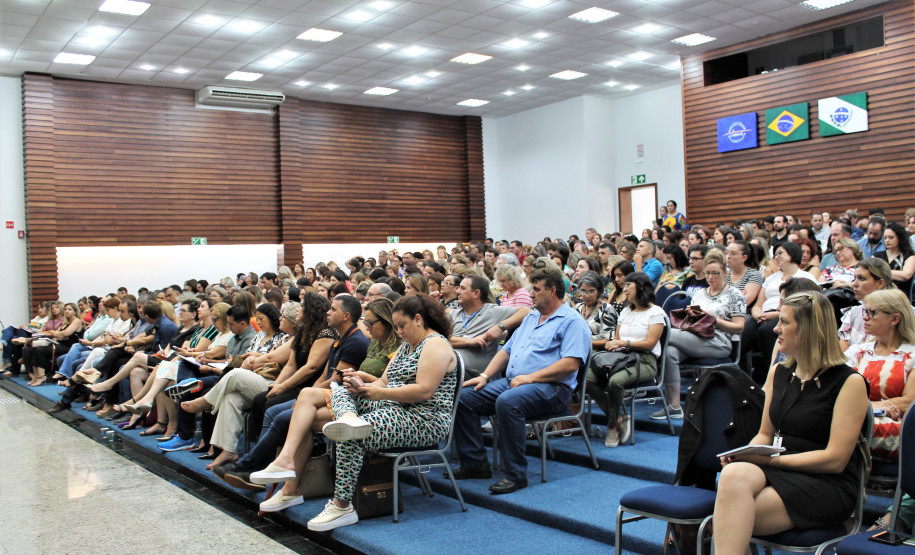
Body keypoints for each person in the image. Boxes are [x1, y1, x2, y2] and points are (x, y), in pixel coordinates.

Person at [712, 291, 868, 554]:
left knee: (730, 516)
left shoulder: (849, 382)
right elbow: (764, 434)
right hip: (781, 467)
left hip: (826, 482)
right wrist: (746, 454)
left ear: (808, 329)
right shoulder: (779, 372)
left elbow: (835, 460)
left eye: (785, 322)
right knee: (733, 474)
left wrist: (769, 460)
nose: (776, 329)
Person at [301, 294, 457, 531]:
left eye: (402, 326)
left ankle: (342, 505)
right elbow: (384, 382)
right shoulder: (408, 345)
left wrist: (378, 393)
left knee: (351, 434)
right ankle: (348, 417)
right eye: (396, 326)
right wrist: (363, 386)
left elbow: (424, 391)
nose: (399, 331)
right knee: (342, 390)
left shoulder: (435, 343)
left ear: (418, 319)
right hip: (396, 409)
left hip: (423, 420)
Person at [451, 269, 591, 494]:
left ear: (552, 291)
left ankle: (515, 474)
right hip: (517, 382)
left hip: (553, 388)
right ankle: (475, 463)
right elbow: (506, 351)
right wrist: (485, 376)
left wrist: (532, 377)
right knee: (465, 397)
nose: (531, 294)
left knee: (508, 402)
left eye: (536, 289)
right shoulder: (532, 317)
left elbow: (570, 364)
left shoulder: (572, 321)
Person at [657, 251, 746, 419]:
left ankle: (646, 356)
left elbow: (739, 327)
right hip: (695, 336)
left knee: (666, 333)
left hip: (719, 341)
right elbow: (694, 322)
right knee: (669, 352)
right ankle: (674, 406)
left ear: (725, 273)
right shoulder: (699, 293)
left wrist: (713, 319)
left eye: (715, 273)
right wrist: (693, 315)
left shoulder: (735, 295)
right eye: (707, 273)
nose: (710, 277)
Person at [587, 272, 664, 447]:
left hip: (645, 361)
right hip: (621, 358)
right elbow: (617, 337)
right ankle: (619, 417)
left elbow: (649, 344)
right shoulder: (626, 311)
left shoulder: (656, 312)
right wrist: (615, 344)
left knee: (615, 381)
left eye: (629, 285)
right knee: (588, 379)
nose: (625, 288)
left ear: (642, 287)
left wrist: (623, 343)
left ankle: (612, 425)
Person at [844, 289, 915, 462]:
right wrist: (872, 407)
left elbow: (908, 403)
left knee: (846, 428)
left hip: (899, 427)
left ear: (895, 319)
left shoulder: (912, 355)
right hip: (857, 417)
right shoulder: (857, 352)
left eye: (872, 312)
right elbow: (838, 392)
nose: (865, 318)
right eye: (865, 311)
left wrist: (866, 408)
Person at [449, 275, 529, 378]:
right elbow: (440, 339)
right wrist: (470, 341)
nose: (458, 291)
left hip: (474, 373)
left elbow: (527, 311)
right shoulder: (453, 315)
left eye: (463, 288)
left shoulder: (491, 311)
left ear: (476, 293)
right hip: (450, 365)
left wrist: (500, 327)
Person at [838, 258, 898, 350]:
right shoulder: (853, 313)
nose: (854, 284)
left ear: (880, 283)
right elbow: (843, 356)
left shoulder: (905, 313)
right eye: (854, 278)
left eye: (862, 278)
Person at [574, 271, 617, 351]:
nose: (587, 295)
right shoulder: (577, 308)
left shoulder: (607, 309)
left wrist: (583, 343)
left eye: (591, 291)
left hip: (597, 353)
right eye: (583, 291)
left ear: (599, 291)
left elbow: (608, 340)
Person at [875, 222, 915, 297]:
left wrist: (878, 272)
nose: (887, 240)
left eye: (891, 237)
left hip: (900, 297)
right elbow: (869, 272)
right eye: (885, 238)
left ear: (900, 238)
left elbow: (905, 275)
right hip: (879, 296)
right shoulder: (877, 255)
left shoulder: (909, 256)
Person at [726, 241, 763, 307]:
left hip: (743, 314)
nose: (728, 256)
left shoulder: (753, 274)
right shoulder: (725, 274)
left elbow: (744, 302)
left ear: (744, 257)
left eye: (733, 253)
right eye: (726, 253)